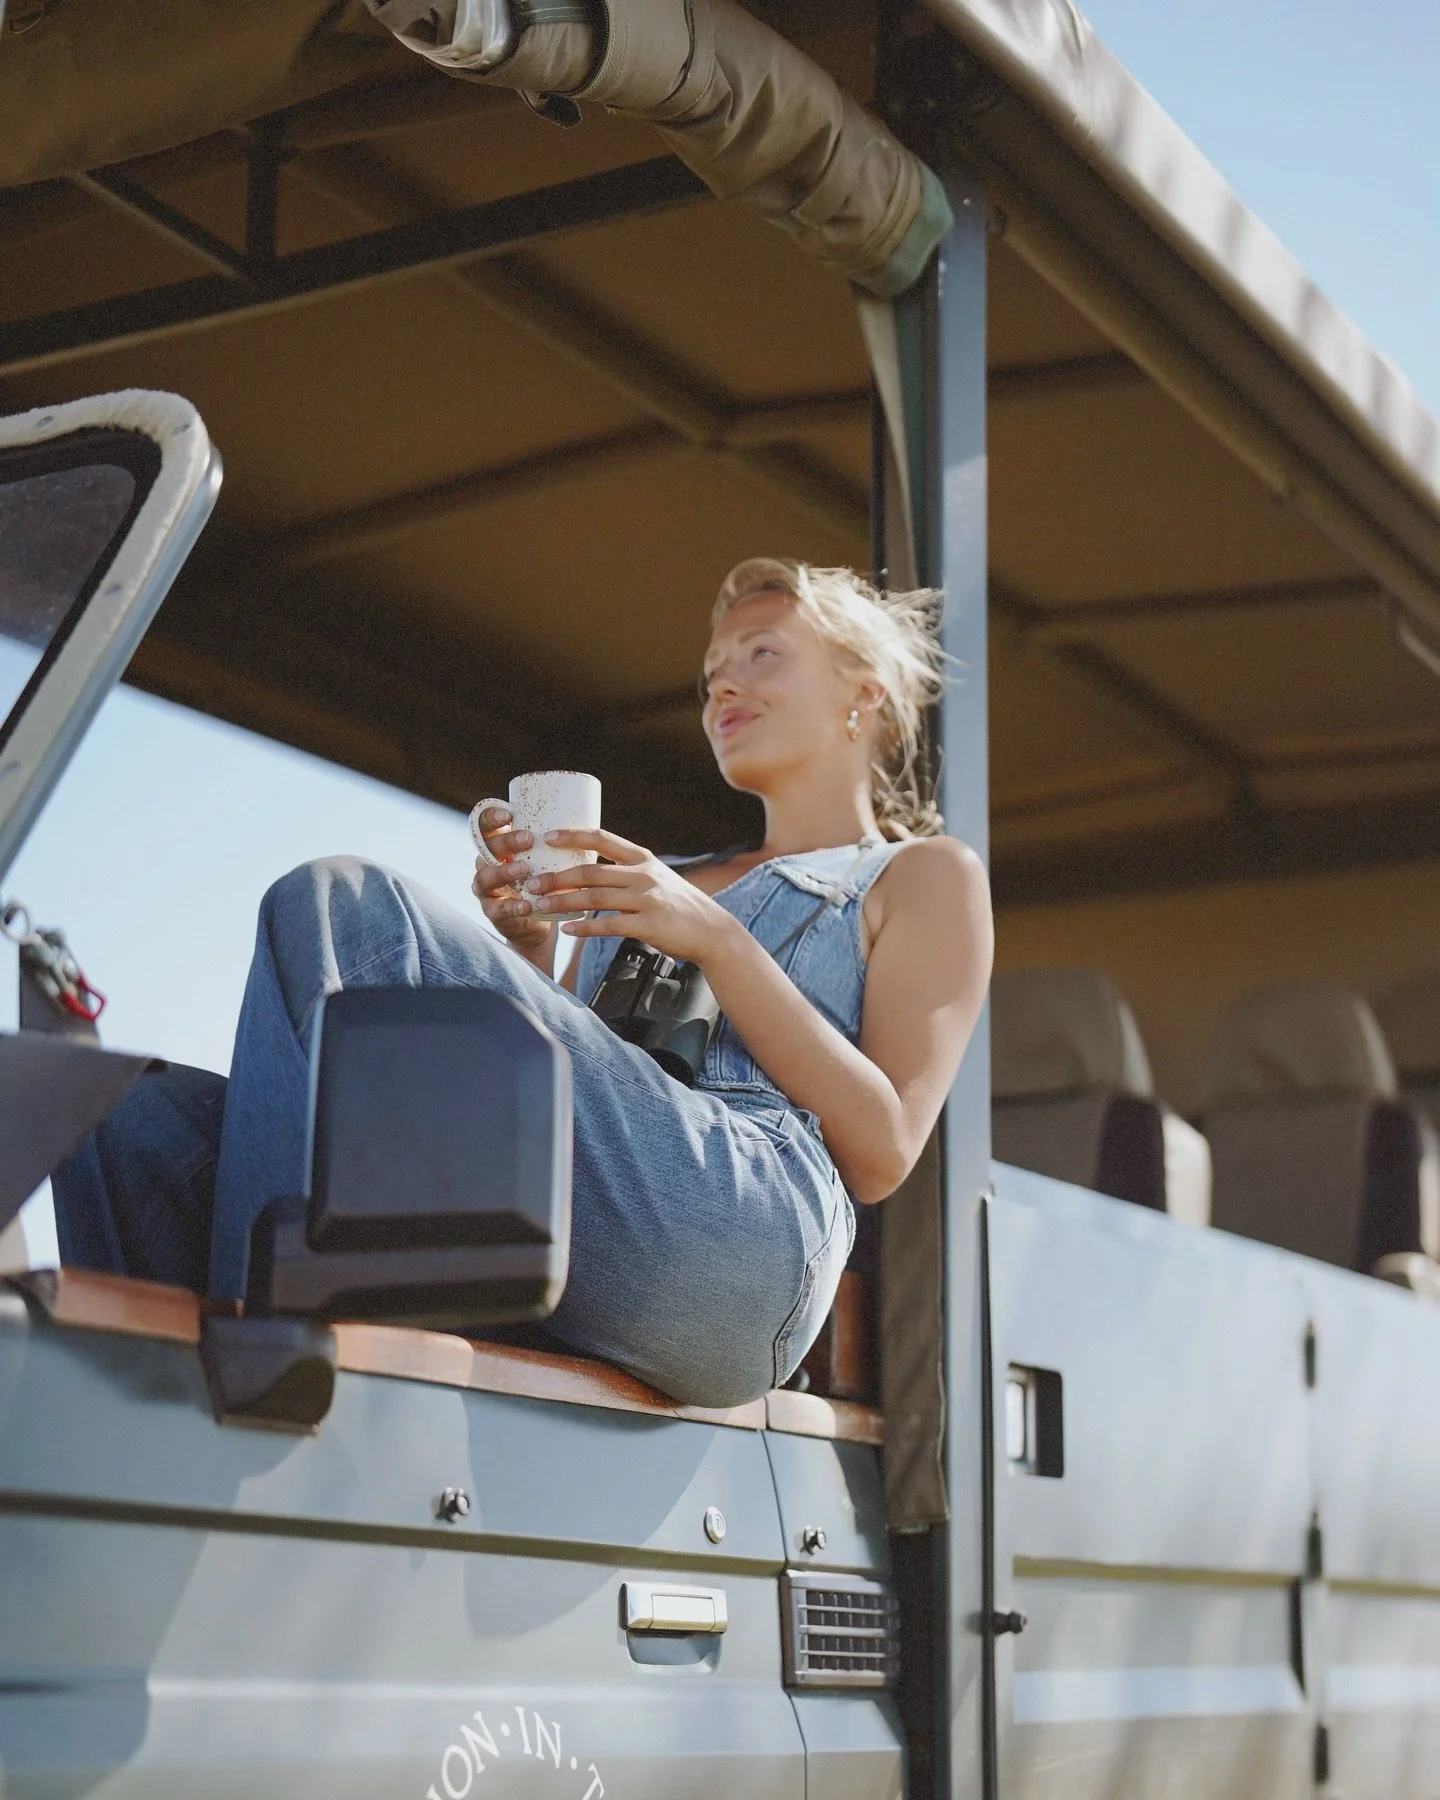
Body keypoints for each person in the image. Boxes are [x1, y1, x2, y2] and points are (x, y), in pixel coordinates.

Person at [53, 559, 992, 1407]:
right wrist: (523, 947)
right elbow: (559, 1102)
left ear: (861, 692)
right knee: (124, 1121)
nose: (725, 687)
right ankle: (132, 1402)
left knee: (345, 908)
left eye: (761, 653)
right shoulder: (658, 875)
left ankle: (254, 1362)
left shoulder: (922, 876)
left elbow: (883, 1149)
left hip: (748, 1240)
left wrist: (716, 940)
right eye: (711, 676)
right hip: (576, 1236)